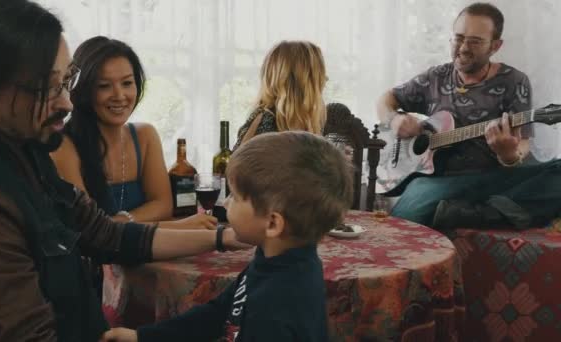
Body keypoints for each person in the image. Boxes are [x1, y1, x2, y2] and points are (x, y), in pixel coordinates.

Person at [0, 1, 246, 341]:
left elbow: (106, 234)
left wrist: (223, 238)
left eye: (66, 82)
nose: (65, 102)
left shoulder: (23, 141)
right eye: (47, 88)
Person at [100, 131, 354, 342]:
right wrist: (142, 337)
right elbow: (218, 313)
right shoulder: (275, 260)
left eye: (235, 196)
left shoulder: (276, 308)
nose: (228, 202)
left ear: (273, 223)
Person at [376, 2, 561, 229]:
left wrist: (508, 155)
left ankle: (474, 214)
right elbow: (385, 100)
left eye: (475, 41)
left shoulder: (514, 81)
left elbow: (521, 145)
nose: (463, 47)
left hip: (492, 178)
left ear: (495, 46)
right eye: (459, 37)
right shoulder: (435, 77)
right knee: (403, 224)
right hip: (436, 182)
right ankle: (491, 212)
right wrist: (394, 119)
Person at [51, 36, 216, 229]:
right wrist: (180, 226)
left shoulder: (145, 136)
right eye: (104, 86)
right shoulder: (62, 146)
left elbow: (163, 206)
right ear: (83, 90)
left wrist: (123, 220)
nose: (120, 96)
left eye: (127, 83)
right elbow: (89, 230)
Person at [233, 40, 327, 149]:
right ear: (304, 82)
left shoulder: (272, 120)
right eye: (318, 76)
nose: (325, 80)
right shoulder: (268, 127)